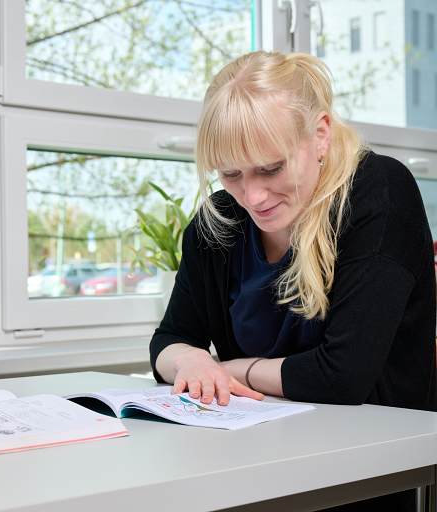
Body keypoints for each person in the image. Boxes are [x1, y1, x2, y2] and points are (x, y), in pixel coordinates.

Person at [150, 51, 436, 511]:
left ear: (320, 134)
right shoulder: (219, 222)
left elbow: (343, 378)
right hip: (257, 457)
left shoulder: (378, 192)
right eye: (231, 174)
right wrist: (191, 364)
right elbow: (169, 339)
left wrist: (233, 369)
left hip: (371, 471)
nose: (253, 196)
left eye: (271, 168)